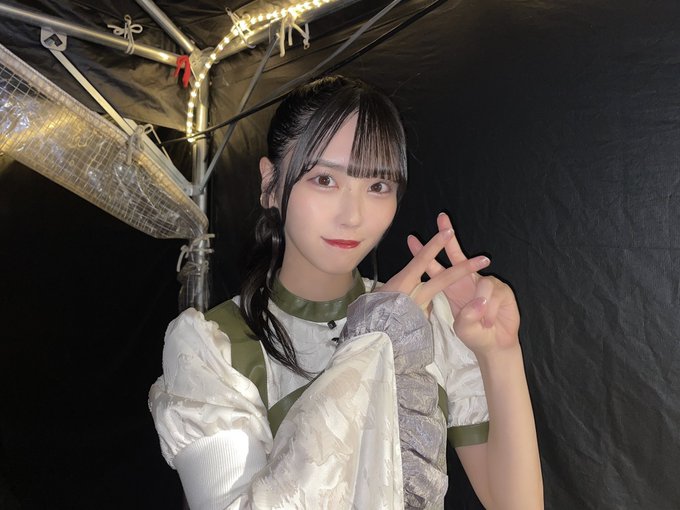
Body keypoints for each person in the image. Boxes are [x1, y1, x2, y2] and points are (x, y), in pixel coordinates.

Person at [149, 75, 543, 509]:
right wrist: (374, 341)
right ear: (270, 183)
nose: (353, 216)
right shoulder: (211, 348)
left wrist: (499, 352)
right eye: (324, 180)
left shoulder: (423, 317)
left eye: (377, 187)